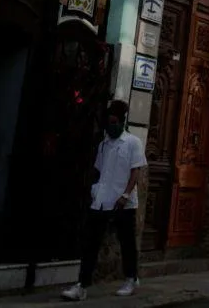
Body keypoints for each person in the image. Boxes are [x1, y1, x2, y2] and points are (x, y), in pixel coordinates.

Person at [61, 100, 146, 302]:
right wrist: (94, 190)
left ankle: (131, 278)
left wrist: (126, 194)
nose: (112, 126)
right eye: (109, 122)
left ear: (122, 121)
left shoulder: (133, 142)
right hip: (101, 200)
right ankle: (82, 285)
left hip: (123, 202)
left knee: (127, 242)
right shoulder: (103, 145)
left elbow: (136, 171)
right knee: (91, 242)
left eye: (115, 122)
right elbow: (99, 170)